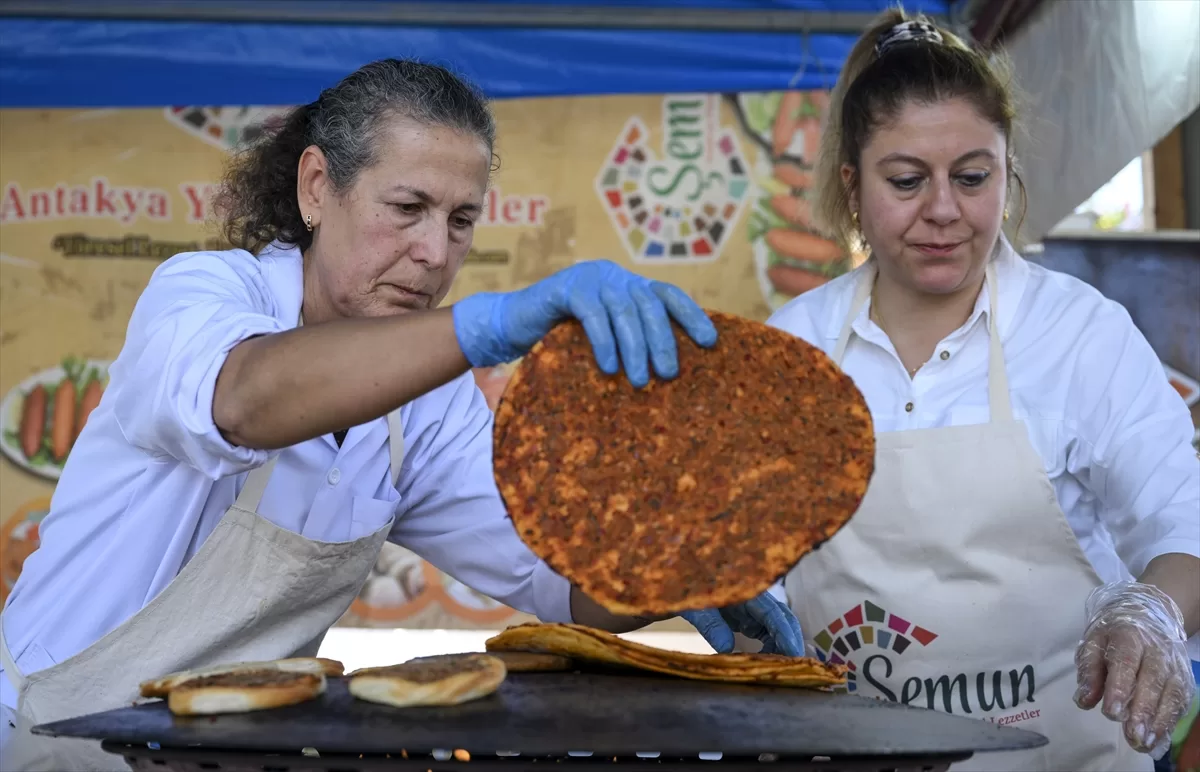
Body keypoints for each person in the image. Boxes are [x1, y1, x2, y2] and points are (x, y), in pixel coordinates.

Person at [0, 59, 804, 771]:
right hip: (51, 737)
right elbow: (243, 401)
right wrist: (483, 325)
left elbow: (550, 574)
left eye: (460, 221)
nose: (434, 253)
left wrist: (680, 569)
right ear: (317, 187)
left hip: (211, 753)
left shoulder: (428, 401)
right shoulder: (205, 294)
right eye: (408, 207)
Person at [762, 10, 1199, 772]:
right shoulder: (795, 347)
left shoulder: (1079, 335)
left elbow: (1182, 524)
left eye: (973, 177)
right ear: (851, 186)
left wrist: (1154, 613)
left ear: (1007, 171)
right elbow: (748, 556)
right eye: (905, 181)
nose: (943, 210)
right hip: (856, 753)